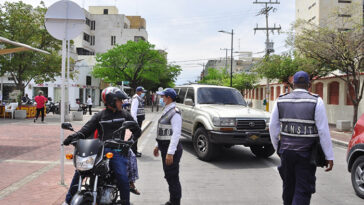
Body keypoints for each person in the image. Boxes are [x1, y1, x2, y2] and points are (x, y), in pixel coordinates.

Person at [62, 87, 142, 205]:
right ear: (111, 101)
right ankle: (68, 201)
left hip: (117, 150)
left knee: (122, 176)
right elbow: (85, 130)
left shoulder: (125, 114)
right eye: (120, 100)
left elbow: (137, 131)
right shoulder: (100, 116)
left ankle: (125, 202)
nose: (122, 102)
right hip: (99, 150)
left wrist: (129, 143)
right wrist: (73, 137)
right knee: (80, 171)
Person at [269, 71, 334, 205]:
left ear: (293, 84)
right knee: (302, 190)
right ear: (309, 85)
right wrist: (329, 156)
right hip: (306, 154)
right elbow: (323, 131)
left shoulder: (280, 100)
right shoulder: (316, 101)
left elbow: (273, 127)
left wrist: (278, 149)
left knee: (288, 188)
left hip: (286, 152)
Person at [153, 88, 183, 205]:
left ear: (168, 98)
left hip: (171, 150)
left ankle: (175, 202)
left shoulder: (175, 112)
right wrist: (157, 146)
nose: (161, 99)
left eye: (163, 97)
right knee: (169, 176)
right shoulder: (167, 110)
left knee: (172, 177)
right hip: (164, 147)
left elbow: (176, 134)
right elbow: (163, 130)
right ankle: (172, 200)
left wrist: (170, 153)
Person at [130, 86, 146, 157]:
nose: (143, 93)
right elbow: (133, 111)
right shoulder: (136, 98)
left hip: (139, 119)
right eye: (142, 92)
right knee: (136, 135)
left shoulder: (139, 98)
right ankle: (133, 151)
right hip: (137, 120)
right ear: (138, 91)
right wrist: (135, 121)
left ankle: (131, 149)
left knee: (135, 135)